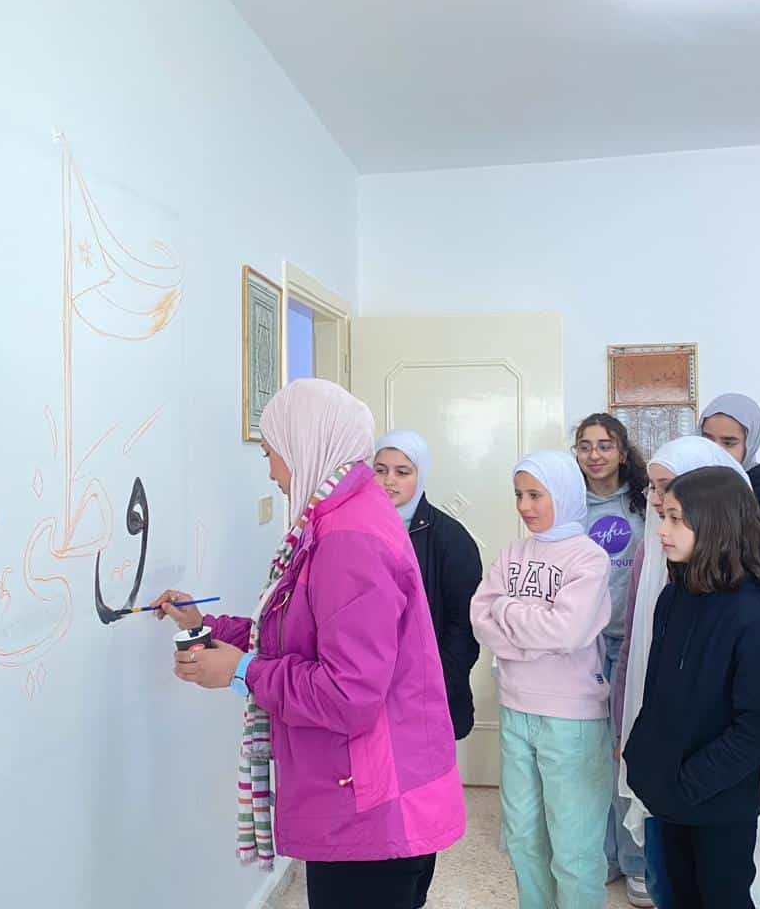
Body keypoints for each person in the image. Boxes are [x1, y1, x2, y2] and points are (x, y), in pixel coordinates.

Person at [154, 378, 465, 909]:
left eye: (271, 454)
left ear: (306, 446)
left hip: (372, 809)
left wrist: (243, 672)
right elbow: (297, 632)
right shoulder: (339, 518)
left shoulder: (347, 538)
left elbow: (349, 693)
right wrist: (210, 626)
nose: (271, 473)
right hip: (366, 797)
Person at [614, 437, 760, 909]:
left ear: (715, 524)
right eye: (663, 516)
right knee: (672, 896)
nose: (662, 530)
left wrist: (689, 783)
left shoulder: (754, 615)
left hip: (716, 804)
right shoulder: (674, 596)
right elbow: (657, 695)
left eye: (676, 519)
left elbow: (758, 728)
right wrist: (646, 763)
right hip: (668, 796)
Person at [471, 451, 612, 909]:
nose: (524, 506)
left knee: (573, 849)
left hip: (572, 717)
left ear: (564, 494)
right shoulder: (513, 552)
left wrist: (508, 614)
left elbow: (567, 631)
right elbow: (480, 618)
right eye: (518, 495)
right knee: (523, 838)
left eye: (536, 495)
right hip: (515, 708)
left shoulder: (589, 557)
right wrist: (533, 636)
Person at [373, 430, 482, 908]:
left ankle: (414, 894)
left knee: (420, 808)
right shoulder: (360, 528)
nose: (389, 481)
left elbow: (464, 627)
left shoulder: (449, 538)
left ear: (421, 476)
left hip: (428, 700)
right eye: (381, 470)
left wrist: (433, 686)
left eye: (402, 471)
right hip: (374, 697)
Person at [573, 413, 651, 907]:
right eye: (585, 446)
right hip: (583, 646)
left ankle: (638, 862)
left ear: (623, 452)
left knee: (628, 754)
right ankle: (604, 857)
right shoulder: (568, 504)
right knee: (591, 756)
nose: (595, 455)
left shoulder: (646, 503)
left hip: (633, 642)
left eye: (605, 445)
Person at [701, 393, 760, 550]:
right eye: (707, 440)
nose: (715, 451)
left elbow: (755, 558)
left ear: (750, 444)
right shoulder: (689, 485)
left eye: (728, 443)